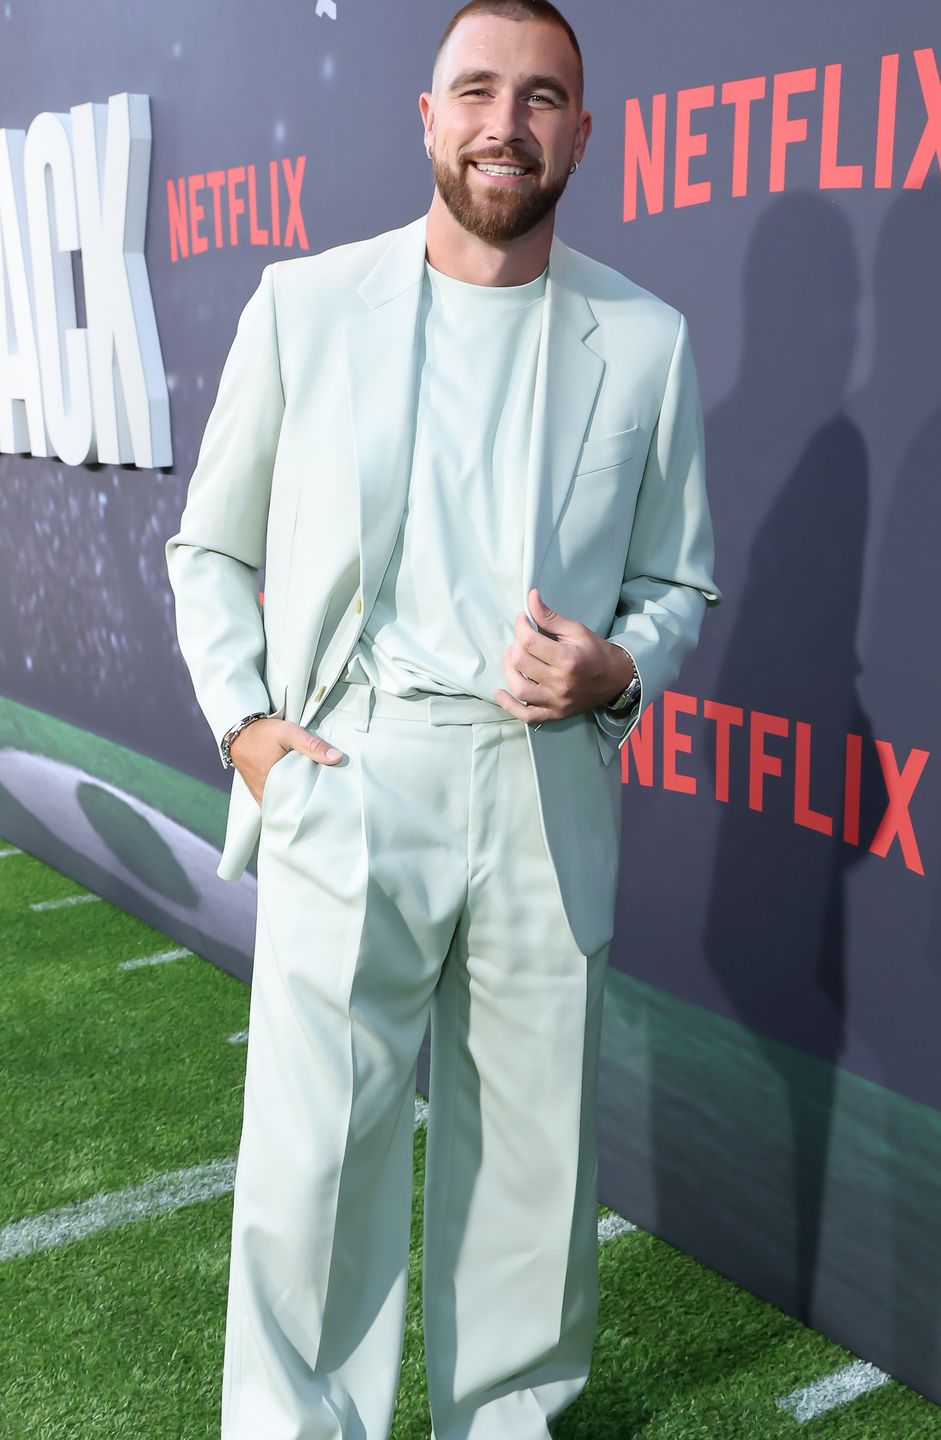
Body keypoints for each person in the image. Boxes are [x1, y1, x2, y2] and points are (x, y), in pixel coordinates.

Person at [165, 2, 718, 1435]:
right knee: (313, 1174)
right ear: (426, 118)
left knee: (534, 1175)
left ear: (582, 134)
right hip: (354, 770)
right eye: (477, 90)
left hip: (543, 788)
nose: (506, 123)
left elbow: (678, 582)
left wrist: (620, 667)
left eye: (541, 98)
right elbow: (208, 549)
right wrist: (246, 729)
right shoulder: (303, 304)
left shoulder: (645, 345)